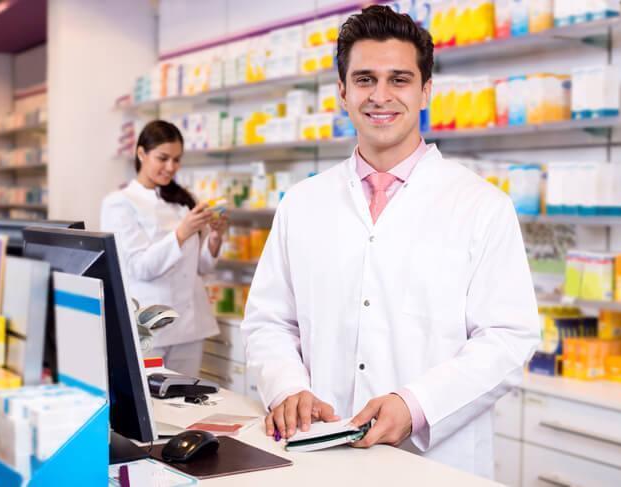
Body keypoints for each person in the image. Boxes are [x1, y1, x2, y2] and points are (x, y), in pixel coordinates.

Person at [241, 6, 539, 478]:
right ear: (342, 92)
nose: (380, 96)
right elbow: (269, 321)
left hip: (436, 465)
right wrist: (287, 389)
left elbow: (508, 338)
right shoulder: (302, 203)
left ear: (425, 91)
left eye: (399, 79)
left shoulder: (482, 205)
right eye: (364, 80)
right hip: (319, 454)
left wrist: (415, 404)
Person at [101, 120, 227, 377]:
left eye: (177, 159)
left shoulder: (183, 200)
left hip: (190, 325)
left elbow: (200, 268)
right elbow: (139, 267)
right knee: (152, 409)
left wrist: (214, 237)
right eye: (163, 158)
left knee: (187, 405)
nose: (171, 167)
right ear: (141, 154)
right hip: (151, 326)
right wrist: (182, 232)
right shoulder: (119, 204)